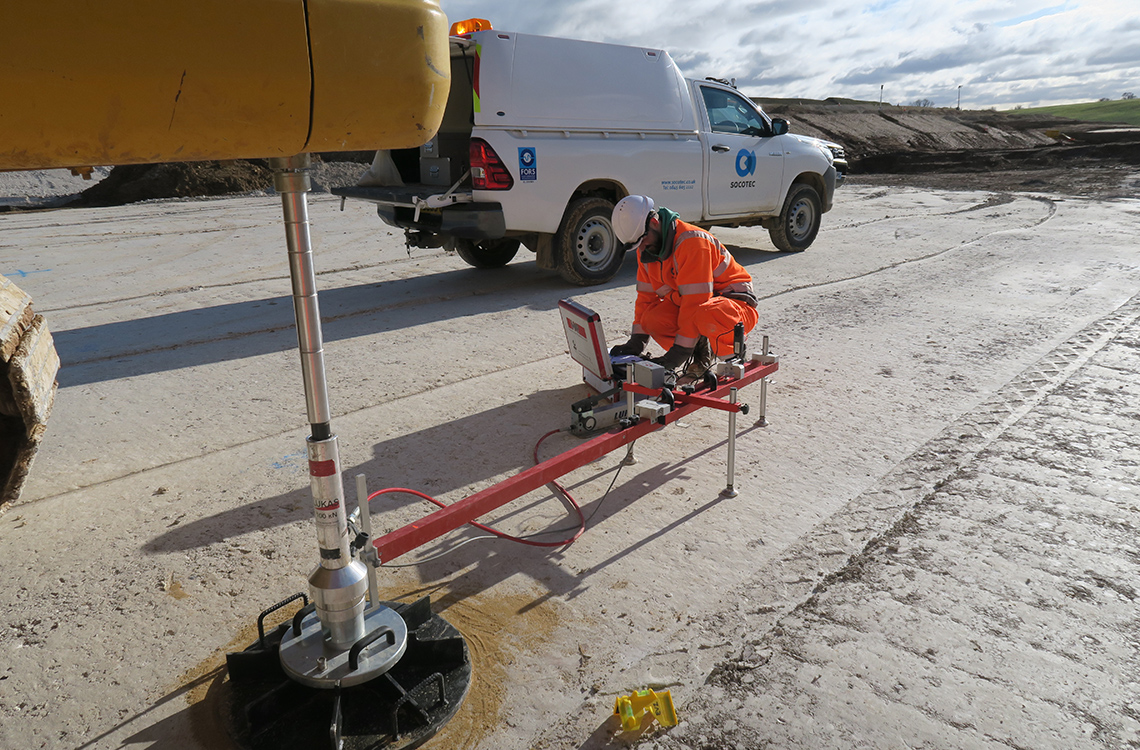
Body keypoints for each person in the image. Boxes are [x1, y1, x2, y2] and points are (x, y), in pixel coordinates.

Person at [609, 195, 758, 376]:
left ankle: (732, 357)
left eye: (643, 240)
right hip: (698, 305)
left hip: (733, 307)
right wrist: (636, 342)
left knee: (707, 313)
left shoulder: (692, 242)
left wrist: (677, 355)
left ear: (654, 222)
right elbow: (645, 299)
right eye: (637, 244)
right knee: (652, 319)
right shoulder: (646, 250)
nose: (642, 247)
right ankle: (701, 352)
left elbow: (695, 302)